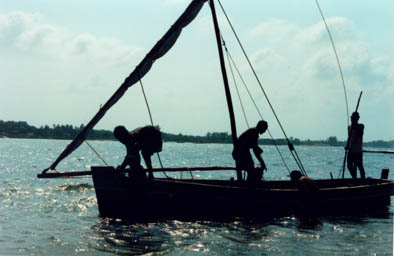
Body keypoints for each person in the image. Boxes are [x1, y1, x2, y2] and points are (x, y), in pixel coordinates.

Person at [346, 112, 365, 179]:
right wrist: (347, 145)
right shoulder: (349, 127)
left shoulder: (361, 126)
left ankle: (363, 180)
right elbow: (349, 138)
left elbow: (360, 134)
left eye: (353, 118)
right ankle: (354, 178)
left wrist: (355, 127)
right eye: (352, 118)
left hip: (358, 150)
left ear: (357, 119)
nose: (352, 119)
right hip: (351, 150)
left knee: (359, 166)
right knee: (349, 166)